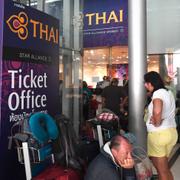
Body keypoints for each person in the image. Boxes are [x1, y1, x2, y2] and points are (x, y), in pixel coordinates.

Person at [144, 71, 178, 180]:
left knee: (161, 170)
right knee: (164, 168)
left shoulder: (158, 93)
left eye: (146, 83)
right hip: (171, 132)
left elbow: (157, 111)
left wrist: (157, 121)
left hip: (159, 134)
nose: (145, 85)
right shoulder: (168, 92)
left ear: (151, 83)